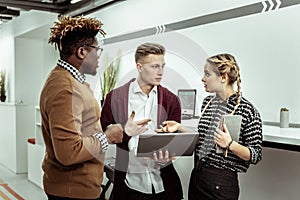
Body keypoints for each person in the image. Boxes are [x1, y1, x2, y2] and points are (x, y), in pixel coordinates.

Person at [39, 15, 124, 200]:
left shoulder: (70, 81)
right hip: (72, 191)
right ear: (82, 52)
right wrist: (107, 137)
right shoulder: (66, 88)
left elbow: (82, 128)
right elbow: (69, 152)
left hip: (75, 188)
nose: (99, 55)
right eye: (97, 50)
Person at [157, 53, 263, 200]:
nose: (203, 78)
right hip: (198, 177)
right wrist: (179, 127)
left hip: (221, 186)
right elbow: (204, 139)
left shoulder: (247, 110)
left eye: (207, 74)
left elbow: (256, 155)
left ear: (223, 77)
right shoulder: (208, 103)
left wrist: (230, 144)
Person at [100, 42, 183, 200]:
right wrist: (124, 131)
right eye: (154, 66)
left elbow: (175, 140)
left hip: (163, 186)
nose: (160, 72)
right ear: (139, 67)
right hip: (128, 184)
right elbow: (103, 134)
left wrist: (169, 155)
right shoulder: (115, 98)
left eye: (162, 66)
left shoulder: (172, 100)